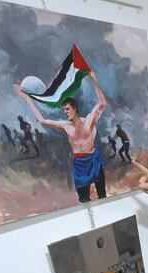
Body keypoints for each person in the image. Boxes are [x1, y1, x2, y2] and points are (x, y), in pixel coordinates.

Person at [14, 70, 107, 202]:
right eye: (64, 110)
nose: (65, 112)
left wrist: (93, 80)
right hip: (79, 164)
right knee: (84, 199)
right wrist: (27, 98)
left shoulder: (89, 120)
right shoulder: (65, 125)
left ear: (75, 109)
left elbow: (102, 104)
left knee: (102, 196)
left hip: (94, 160)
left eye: (67, 109)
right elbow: (42, 120)